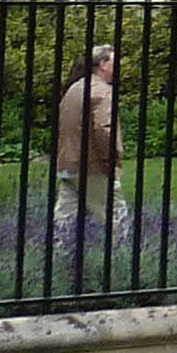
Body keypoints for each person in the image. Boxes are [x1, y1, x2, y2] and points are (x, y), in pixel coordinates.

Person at [53, 43, 126, 239]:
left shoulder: (74, 88)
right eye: (114, 61)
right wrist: (111, 158)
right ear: (103, 64)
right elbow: (104, 129)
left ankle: (59, 260)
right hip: (92, 166)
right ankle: (121, 259)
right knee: (114, 217)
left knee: (65, 219)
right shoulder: (101, 91)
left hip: (68, 164)